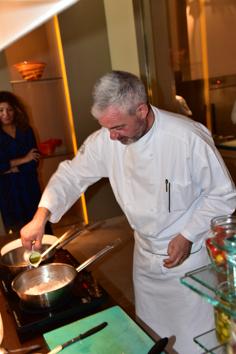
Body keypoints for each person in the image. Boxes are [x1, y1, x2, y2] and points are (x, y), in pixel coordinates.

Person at [20, 71, 236, 353]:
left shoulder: (186, 137)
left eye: (118, 127)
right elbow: (72, 176)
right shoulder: (106, 140)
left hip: (190, 259)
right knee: (151, 337)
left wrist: (187, 235)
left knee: (194, 342)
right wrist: (41, 217)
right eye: (106, 127)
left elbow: (223, 195)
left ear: (142, 110)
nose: (111, 135)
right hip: (146, 260)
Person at [0, 91, 52, 234]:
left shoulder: (26, 130)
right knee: (17, 229)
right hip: (7, 191)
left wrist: (9, 168)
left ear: (15, 110)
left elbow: (34, 161)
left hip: (30, 186)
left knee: (40, 223)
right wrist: (24, 159)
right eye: (1, 110)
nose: (6, 114)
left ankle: (48, 254)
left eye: (9, 109)